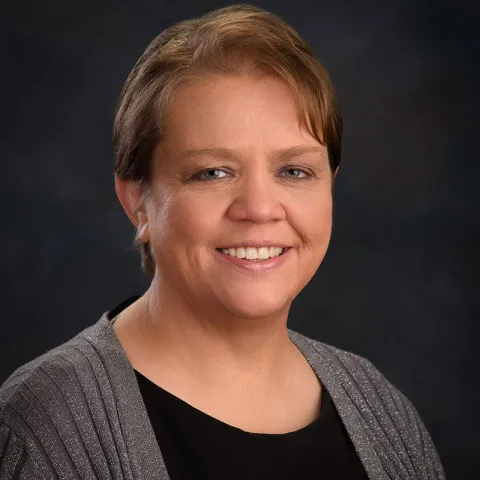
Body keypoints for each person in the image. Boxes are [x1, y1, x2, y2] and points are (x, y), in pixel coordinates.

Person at [0, 4, 445, 479]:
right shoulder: (43, 428)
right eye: (213, 172)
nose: (258, 207)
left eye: (294, 171)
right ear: (138, 203)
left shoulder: (382, 412)